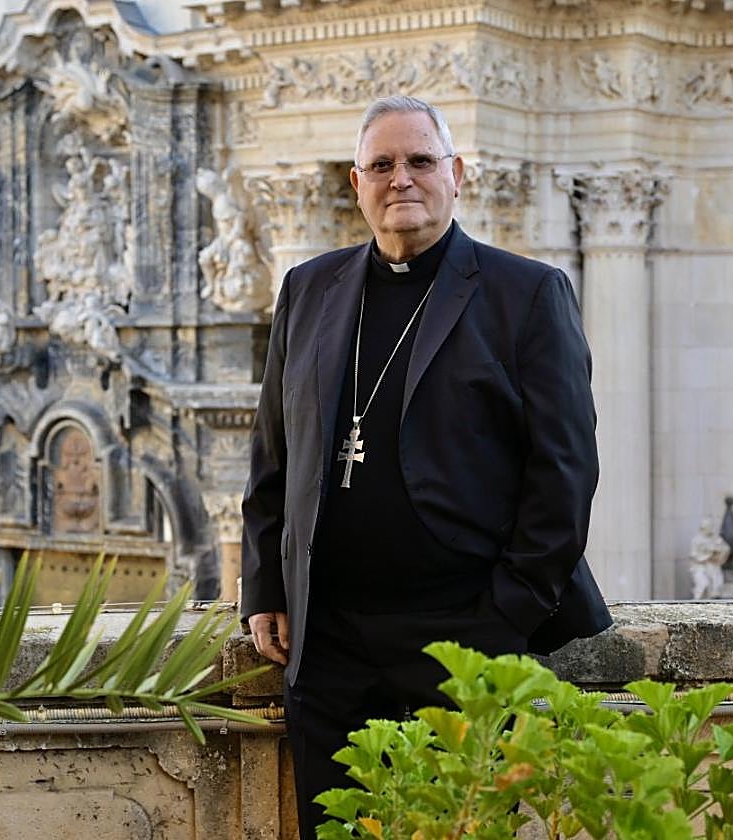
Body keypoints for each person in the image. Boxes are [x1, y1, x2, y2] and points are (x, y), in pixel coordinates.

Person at [240, 95, 611, 838]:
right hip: (332, 641)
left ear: (457, 174)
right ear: (356, 183)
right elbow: (273, 450)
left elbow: (564, 471)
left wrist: (504, 617)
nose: (400, 179)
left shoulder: (526, 294)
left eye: (420, 161)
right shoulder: (308, 288)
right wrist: (265, 587)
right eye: (381, 165)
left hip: (462, 638)